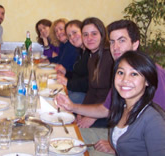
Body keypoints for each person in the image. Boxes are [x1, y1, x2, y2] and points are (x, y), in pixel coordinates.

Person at [56, 19, 165, 155]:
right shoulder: (120, 73)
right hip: (116, 136)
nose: (115, 47)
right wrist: (73, 107)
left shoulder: (151, 73)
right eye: (112, 42)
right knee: (63, 138)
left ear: (135, 43)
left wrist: (115, 147)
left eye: (121, 40)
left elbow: (160, 126)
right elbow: (105, 108)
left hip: (127, 145)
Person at [109, 51, 165, 155]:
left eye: (134, 74)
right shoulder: (122, 107)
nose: (125, 80)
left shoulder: (153, 121)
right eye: (120, 72)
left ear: (147, 81)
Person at [56, 20, 90, 104]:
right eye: (69, 35)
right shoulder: (81, 51)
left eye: (74, 32)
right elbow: (77, 75)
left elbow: (89, 83)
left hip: (87, 95)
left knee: (58, 102)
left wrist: (68, 82)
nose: (72, 37)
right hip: (77, 89)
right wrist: (66, 72)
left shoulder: (91, 53)